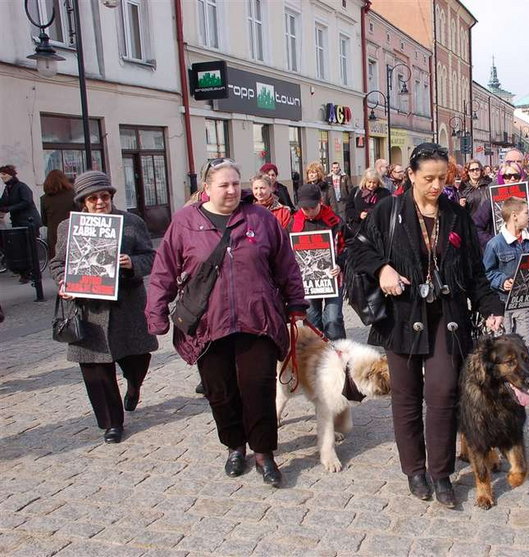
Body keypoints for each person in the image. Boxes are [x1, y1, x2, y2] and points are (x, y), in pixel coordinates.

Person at [347, 142, 504, 509]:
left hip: (447, 317)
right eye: (429, 178)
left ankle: (441, 472)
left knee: (444, 392)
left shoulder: (457, 215)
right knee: (405, 397)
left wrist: (491, 305)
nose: (436, 186)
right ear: (412, 176)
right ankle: (414, 470)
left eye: (442, 178)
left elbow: (475, 270)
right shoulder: (388, 209)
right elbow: (358, 249)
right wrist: (381, 268)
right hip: (401, 316)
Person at [146, 158, 307, 487]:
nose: (233, 190)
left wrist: (296, 303)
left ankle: (264, 453)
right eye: (224, 184)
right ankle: (235, 446)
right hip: (208, 323)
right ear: (207, 188)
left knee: (258, 388)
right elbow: (163, 270)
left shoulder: (260, 219)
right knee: (220, 391)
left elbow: (285, 263)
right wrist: (156, 313)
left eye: (236, 183)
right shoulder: (185, 222)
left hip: (257, 319)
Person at [49, 171, 158, 444]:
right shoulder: (68, 228)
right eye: (93, 198)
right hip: (88, 311)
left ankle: (134, 385)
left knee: (138, 358)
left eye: (104, 196)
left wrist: (132, 263)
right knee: (96, 370)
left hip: (127, 307)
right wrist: (64, 282)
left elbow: (150, 257)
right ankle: (112, 423)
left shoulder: (131, 223)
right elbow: (57, 263)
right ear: (83, 202)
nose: (100, 202)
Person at [483, 196, 529, 357]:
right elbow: (487, 272)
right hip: (503, 300)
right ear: (514, 216)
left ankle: (525, 369)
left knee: (526, 339)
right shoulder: (495, 244)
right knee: (504, 340)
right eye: (526, 213)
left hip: (525, 298)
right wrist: (502, 281)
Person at [291, 183, 347, 341]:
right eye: (304, 208)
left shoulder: (334, 221)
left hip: (334, 280)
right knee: (312, 322)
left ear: (320, 202)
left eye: (311, 207)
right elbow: (285, 252)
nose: (308, 211)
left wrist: (340, 264)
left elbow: (349, 246)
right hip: (307, 284)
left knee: (333, 320)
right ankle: (316, 358)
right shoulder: (293, 224)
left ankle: (339, 354)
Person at [472, 162, 529, 249]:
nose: (512, 179)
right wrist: (492, 243)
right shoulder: (491, 202)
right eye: (508, 176)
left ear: (521, 178)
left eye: (516, 176)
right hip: (501, 254)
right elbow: (476, 226)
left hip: (526, 250)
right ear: (502, 178)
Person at [1, 165, 44, 282]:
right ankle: (25, 273)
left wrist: (10, 208)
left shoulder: (21, 187)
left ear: (11, 175)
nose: (2, 177)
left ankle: (34, 273)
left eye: (4, 174)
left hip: (29, 221)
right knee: (20, 248)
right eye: (1, 174)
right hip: (18, 222)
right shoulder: (7, 189)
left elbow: (26, 201)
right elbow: (3, 202)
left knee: (30, 248)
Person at [40, 169, 77, 260]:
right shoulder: (73, 195)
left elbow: (44, 221)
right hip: (72, 231)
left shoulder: (44, 199)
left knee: (57, 261)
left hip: (54, 234)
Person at [345, 168, 391, 234]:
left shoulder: (384, 193)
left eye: (374, 182)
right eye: (369, 182)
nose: (371, 185)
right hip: (358, 230)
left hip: (377, 230)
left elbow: (387, 210)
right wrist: (359, 215)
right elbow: (348, 209)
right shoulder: (355, 192)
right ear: (365, 181)